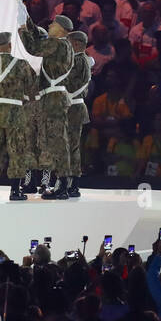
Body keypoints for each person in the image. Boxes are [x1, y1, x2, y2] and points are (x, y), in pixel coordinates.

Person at [17, 11, 74, 199]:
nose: (49, 26)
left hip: (54, 99)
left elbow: (33, 47)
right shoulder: (62, 45)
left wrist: (22, 29)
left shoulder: (57, 44)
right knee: (56, 141)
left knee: (57, 142)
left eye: (53, 25)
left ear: (61, 30)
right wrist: (29, 23)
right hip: (55, 98)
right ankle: (62, 183)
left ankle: (63, 185)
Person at [0, 31, 37, 202]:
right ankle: (15, 191)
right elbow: (32, 87)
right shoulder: (21, 64)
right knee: (17, 150)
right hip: (15, 111)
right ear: (10, 45)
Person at [63, 30, 93, 199]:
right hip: (72, 107)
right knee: (70, 146)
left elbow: (68, 82)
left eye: (69, 43)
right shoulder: (82, 60)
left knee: (71, 147)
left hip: (73, 107)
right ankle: (69, 182)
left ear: (76, 44)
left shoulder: (79, 61)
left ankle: (72, 183)